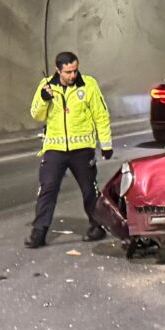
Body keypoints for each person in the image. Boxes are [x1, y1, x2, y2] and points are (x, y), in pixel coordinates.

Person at [25, 51, 114, 248]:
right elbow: (36, 115)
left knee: (89, 190)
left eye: (75, 70)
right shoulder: (47, 86)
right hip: (55, 149)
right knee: (47, 189)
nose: (73, 75)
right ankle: (38, 233)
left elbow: (101, 115)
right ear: (58, 70)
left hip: (82, 150)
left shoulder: (88, 85)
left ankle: (97, 227)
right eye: (68, 72)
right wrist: (43, 99)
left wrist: (106, 144)